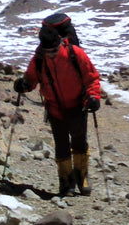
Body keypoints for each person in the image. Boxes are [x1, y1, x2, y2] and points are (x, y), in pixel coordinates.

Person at [14, 23, 102, 196]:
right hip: (54, 109)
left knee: (79, 143)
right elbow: (31, 80)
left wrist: (94, 97)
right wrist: (23, 85)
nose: (52, 56)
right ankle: (66, 182)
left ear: (60, 43)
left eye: (54, 51)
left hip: (78, 106)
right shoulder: (39, 59)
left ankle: (82, 177)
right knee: (61, 145)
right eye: (49, 53)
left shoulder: (75, 54)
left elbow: (92, 78)